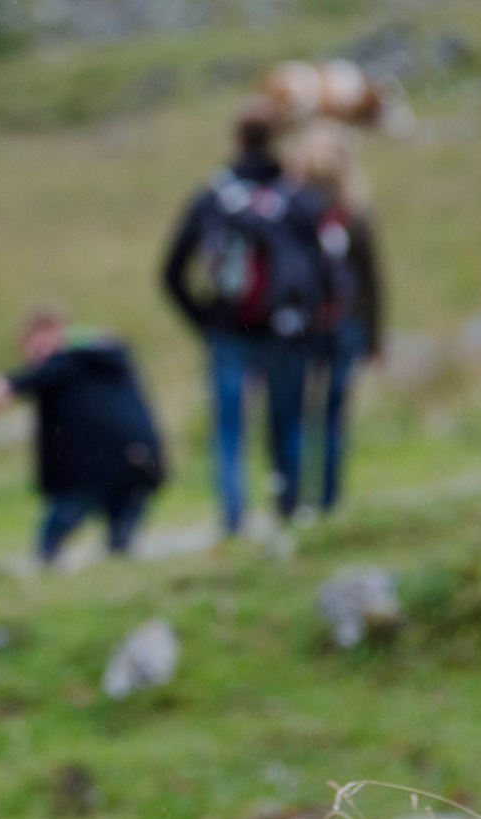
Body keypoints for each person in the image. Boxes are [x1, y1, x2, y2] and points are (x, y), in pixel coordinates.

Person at [162, 99, 326, 534]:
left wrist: (204, 319)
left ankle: (233, 521)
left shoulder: (211, 198)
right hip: (284, 328)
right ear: (276, 138)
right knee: (287, 422)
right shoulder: (296, 199)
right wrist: (309, 320)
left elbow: (171, 271)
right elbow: (320, 267)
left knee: (229, 433)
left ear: (236, 137)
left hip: (226, 329)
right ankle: (291, 513)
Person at [0, 307, 165, 563]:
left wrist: (4, 386)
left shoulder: (69, 360)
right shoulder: (108, 355)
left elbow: (44, 373)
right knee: (120, 542)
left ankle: (49, 568)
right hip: (141, 459)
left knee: (52, 537)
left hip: (93, 468)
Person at [286, 119, 383, 512]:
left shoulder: (289, 209)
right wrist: (374, 339)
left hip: (300, 325)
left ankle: (292, 496)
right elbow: (373, 280)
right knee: (332, 415)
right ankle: (328, 497)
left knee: (295, 412)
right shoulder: (354, 209)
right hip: (347, 323)